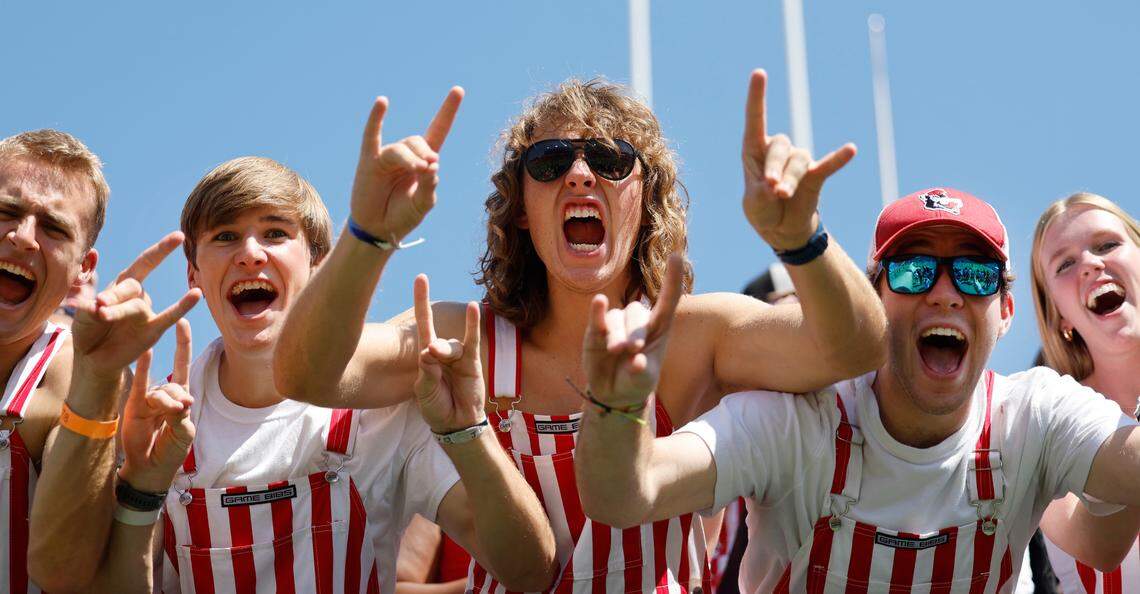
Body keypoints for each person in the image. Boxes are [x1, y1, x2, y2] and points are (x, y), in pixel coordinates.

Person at [276, 70, 888, 591]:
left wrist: (802, 242)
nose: (578, 174)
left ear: (645, 198)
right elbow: (307, 372)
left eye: (609, 158)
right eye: (547, 161)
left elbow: (856, 347)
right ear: (520, 207)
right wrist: (367, 236)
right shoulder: (468, 339)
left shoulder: (696, 335)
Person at [574, 186, 1140, 593]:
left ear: (1006, 311)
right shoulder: (795, 422)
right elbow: (627, 495)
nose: (944, 294)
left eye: (974, 274)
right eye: (914, 271)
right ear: (874, 302)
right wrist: (616, 409)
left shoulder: (1034, 415)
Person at [33, 155, 557, 593]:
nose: (250, 254)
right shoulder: (155, 420)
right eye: (225, 236)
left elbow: (530, 570)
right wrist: (141, 489)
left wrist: (467, 430)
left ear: (318, 265)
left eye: (275, 233)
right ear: (193, 271)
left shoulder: (382, 411)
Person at [0, 129, 193, 593]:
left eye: (53, 228)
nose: (23, 237)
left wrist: (100, 377)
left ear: (83, 270)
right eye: (6, 212)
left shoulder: (74, 372)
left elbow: (64, 573)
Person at [1031, 192, 1140, 593]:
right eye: (1065, 263)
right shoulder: (1045, 422)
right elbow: (1097, 547)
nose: (1092, 264)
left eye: (1108, 245)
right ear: (1058, 314)